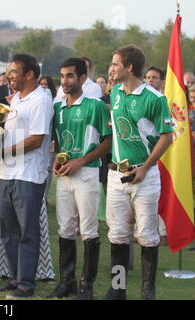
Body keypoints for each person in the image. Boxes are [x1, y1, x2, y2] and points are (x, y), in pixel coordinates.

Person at [104, 45, 173, 300]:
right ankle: (118, 288)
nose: (111, 69)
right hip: (116, 176)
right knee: (119, 234)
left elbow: (167, 136)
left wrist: (145, 166)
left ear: (129, 67)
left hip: (145, 175)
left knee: (146, 235)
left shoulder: (154, 98)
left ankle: (147, 291)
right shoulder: (114, 94)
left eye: (114, 64)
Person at [0, 54, 54, 299]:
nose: (9, 76)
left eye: (14, 71)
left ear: (29, 74)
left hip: (28, 175)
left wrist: (2, 151)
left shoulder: (41, 100)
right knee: (7, 230)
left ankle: (26, 284)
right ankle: (15, 279)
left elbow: (36, 140)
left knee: (27, 231)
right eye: (8, 71)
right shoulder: (14, 98)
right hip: (6, 173)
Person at [47, 58, 112, 300]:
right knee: (65, 229)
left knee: (88, 230)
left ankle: (87, 287)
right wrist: (57, 159)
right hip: (64, 176)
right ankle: (67, 282)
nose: (64, 81)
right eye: (62, 76)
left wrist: (80, 161)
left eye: (70, 76)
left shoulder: (95, 106)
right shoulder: (58, 108)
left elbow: (108, 142)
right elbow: (59, 143)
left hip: (86, 173)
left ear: (83, 78)